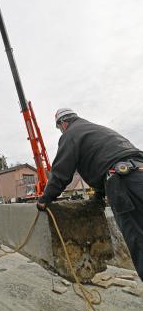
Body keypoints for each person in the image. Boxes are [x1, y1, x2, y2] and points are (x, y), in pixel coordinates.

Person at [37, 108, 143, 281]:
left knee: (139, 240)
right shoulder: (99, 130)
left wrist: (45, 199)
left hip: (123, 182)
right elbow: (105, 161)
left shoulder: (70, 134)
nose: (61, 131)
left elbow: (61, 173)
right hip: (137, 170)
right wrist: (99, 196)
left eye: (60, 128)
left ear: (63, 123)